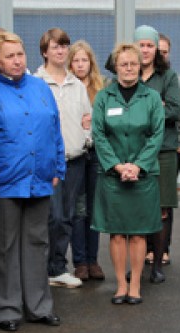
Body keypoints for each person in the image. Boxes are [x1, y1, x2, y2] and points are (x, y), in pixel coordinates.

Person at [0, 31, 65, 332]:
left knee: (37, 241)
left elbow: (54, 127)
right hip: (5, 179)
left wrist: (58, 165)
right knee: (5, 245)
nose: (17, 61)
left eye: (20, 54)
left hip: (41, 177)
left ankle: (39, 306)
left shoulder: (40, 86)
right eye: (9, 56)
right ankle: (7, 308)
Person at [92, 42, 164, 305]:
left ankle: (135, 285)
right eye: (124, 64)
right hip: (113, 176)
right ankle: (120, 284)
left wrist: (137, 165)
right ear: (116, 67)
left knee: (138, 232)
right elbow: (98, 134)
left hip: (143, 177)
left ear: (140, 66)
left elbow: (157, 135)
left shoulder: (152, 98)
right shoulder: (103, 97)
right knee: (117, 233)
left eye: (134, 63)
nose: (129, 68)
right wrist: (117, 165)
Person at [34, 28, 91, 289]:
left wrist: (84, 139)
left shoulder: (77, 84)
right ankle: (43, 267)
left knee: (67, 216)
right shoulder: (35, 82)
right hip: (48, 162)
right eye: (56, 46)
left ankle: (58, 267)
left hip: (75, 159)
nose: (61, 51)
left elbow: (86, 119)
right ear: (45, 51)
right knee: (52, 216)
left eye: (64, 46)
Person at [134, 25, 180, 284]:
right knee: (136, 207)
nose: (145, 49)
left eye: (150, 45)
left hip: (163, 149)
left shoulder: (169, 77)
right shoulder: (127, 73)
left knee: (162, 208)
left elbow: (174, 110)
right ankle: (137, 263)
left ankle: (157, 264)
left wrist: (141, 112)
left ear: (156, 50)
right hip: (133, 150)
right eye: (140, 44)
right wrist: (155, 107)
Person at [146, 32, 180, 266]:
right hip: (148, 148)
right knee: (148, 199)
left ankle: (163, 248)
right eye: (158, 50)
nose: (160, 54)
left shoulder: (175, 80)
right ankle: (149, 247)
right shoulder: (145, 76)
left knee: (165, 200)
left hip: (171, 146)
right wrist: (156, 107)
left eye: (164, 51)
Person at [68, 40, 107, 281]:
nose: (81, 65)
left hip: (96, 154)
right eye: (76, 60)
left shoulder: (101, 89)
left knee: (94, 209)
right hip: (76, 154)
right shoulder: (68, 87)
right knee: (77, 209)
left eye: (85, 60)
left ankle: (94, 260)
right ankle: (80, 261)